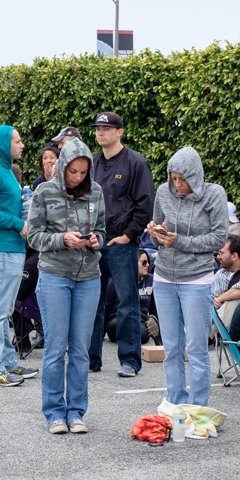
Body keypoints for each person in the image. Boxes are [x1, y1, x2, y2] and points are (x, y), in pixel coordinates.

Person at [27, 139, 106, 429]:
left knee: (81, 349)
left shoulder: (96, 192)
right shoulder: (44, 192)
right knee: (55, 348)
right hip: (54, 276)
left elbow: (102, 230)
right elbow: (33, 237)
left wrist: (97, 240)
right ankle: (54, 413)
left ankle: (76, 412)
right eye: (73, 171)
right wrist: (62, 239)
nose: (78, 177)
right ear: (62, 167)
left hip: (89, 277)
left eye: (83, 172)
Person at [147, 146, 228, 405]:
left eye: (183, 179)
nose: (178, 184)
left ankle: (198, 407)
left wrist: (178, 241)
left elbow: (219, 238)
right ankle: (175, 402)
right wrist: (155, 232)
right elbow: (158, 237)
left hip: (197, 278)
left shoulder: (214, 194)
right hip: (164, 277)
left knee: (196, 349)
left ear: (195, 176)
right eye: (174, 179)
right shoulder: (163, 192)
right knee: (171, 348)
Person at [88, 112, 156, 379]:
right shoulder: (92, 164)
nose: (100, 132)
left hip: (121, 244)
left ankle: (129, 360)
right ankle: (91, 359)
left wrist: (129, 235)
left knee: (128, 302)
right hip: (94, 244)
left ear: (120, 132)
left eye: (106, 128)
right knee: (93, 301)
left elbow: (145, 204)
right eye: (97, 128)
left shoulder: (136, 163)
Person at [0, 125, 35, 384]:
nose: (22, 145)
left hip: (11, 246)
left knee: (4, 308)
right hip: (1, 246)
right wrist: (17, 223)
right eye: (17, 141)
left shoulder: (5, 171)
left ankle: (8, 363)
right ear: (3, 144)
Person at [213, 235, 240, 344]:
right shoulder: (221, 274)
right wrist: (215, 301)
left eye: (221, 253)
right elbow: (214, 299)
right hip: (220, 318)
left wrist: (220, 299)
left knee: (237, 300)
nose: (218, 256)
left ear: (234, 256)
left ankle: (207, 335)